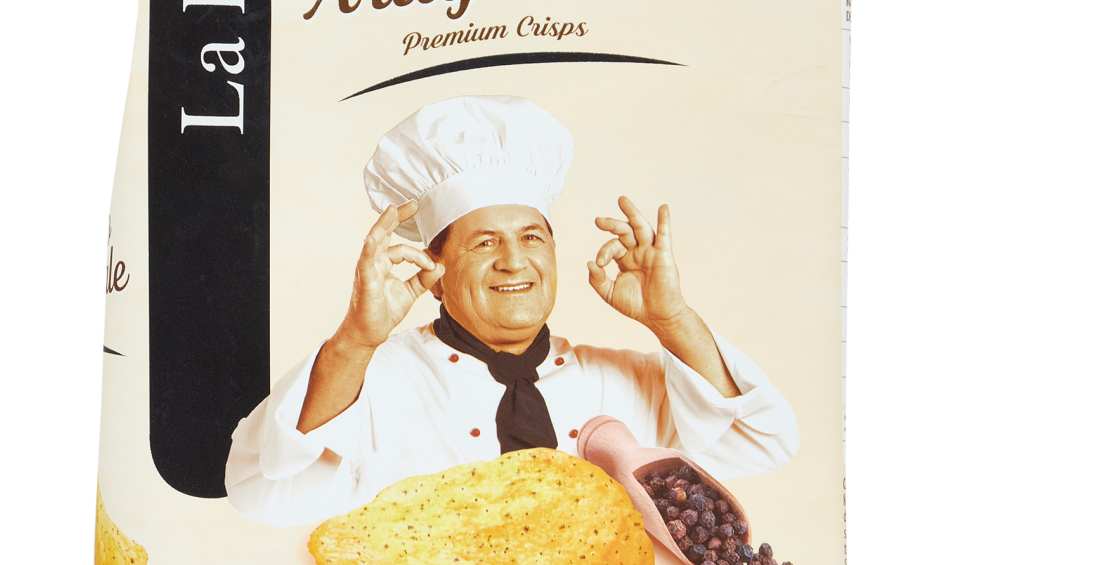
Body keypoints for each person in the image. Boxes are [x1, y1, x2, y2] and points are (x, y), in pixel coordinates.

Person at [225, 95, 798, 526]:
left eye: (532, 238)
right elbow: (263, 489)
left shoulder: (628, 378)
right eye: (484, 243)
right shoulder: (373, 380)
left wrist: (673, 321)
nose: (514, 261)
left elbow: (764, 442)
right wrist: (355, 341)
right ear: (434, 270)